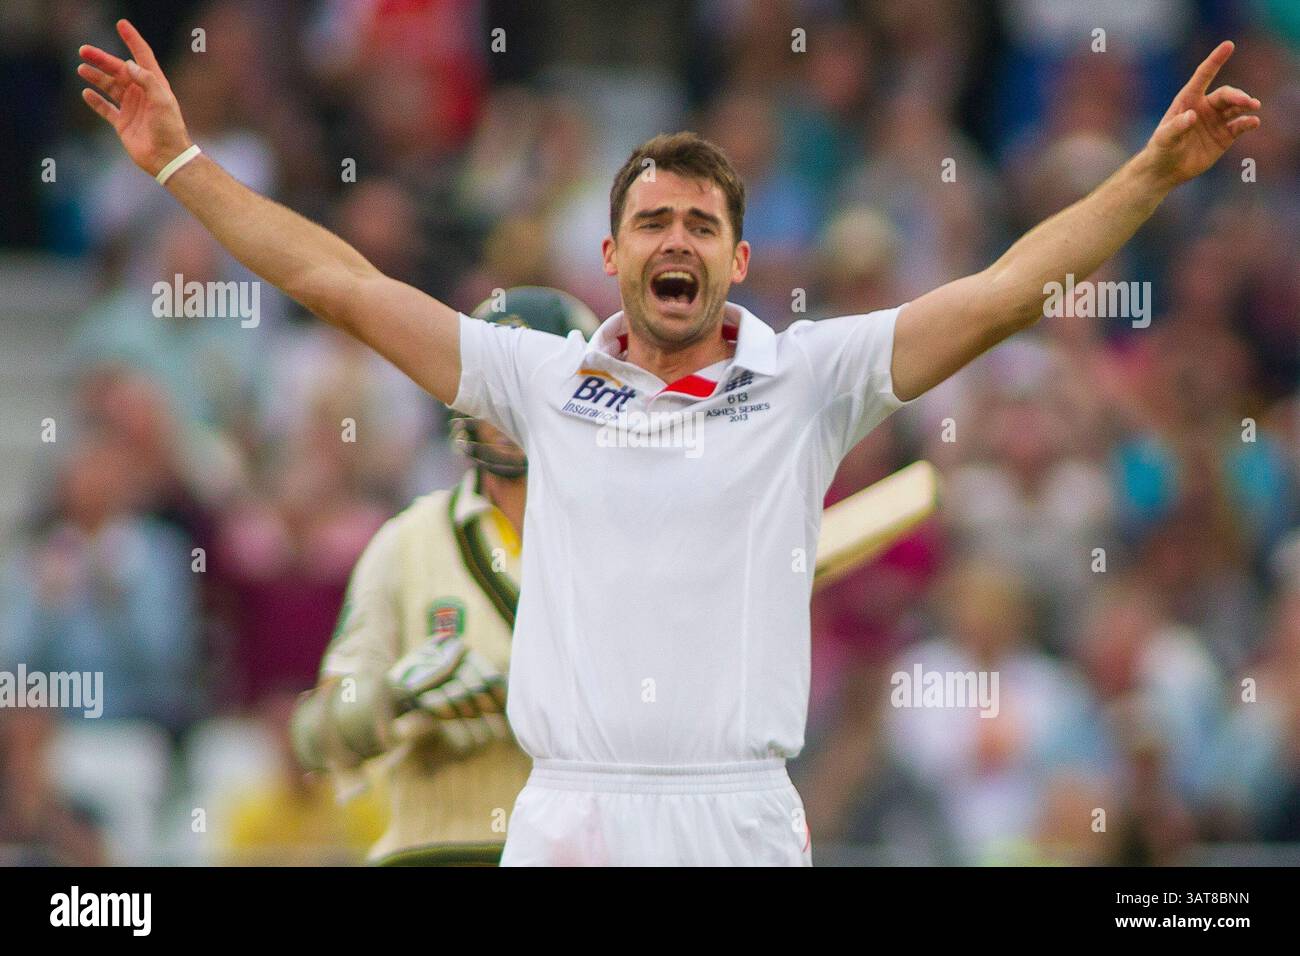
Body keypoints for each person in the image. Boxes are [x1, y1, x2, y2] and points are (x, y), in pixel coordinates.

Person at [76, 20, 1261, 864]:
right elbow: (338, 282)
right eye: (652, 219)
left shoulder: (810, 378)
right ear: (613, 257)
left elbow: (1005, 291)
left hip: (732, 814)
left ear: (739, 260)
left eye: (702, 220)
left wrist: (1149, 174)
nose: (675, 236)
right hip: (570, 817)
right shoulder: (537, 378)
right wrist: (183, 163)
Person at [289, 287, 599, 865]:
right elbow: (314, 735)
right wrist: (397, 695)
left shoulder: (626, 540)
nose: (504, 408)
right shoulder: (409, 541)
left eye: (528, 384)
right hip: (437, 851)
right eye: (492, 385)